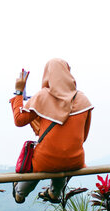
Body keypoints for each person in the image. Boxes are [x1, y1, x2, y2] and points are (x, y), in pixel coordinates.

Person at [10, 58, 93, 203]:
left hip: (46, 160)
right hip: (75, 159)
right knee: (61, 160)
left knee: (43, 162)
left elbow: (19, 120)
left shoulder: (42, 97)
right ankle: (55, 193)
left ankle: (20, 193)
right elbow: (83, 136)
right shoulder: (83, 100)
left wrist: (18, 91)